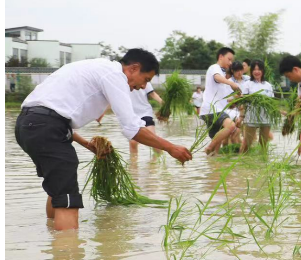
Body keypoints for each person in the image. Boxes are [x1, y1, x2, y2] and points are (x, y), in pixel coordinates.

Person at [15, 49, 192, 230]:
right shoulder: (114, 75)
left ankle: (53, 240)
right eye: (146, 79)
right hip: (45, 126)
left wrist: (86, 144)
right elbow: (132, 129)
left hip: (28, 125)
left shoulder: (96, 68)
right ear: (133, 68)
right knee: (68, 200)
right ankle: (66, 255)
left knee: (57, 189)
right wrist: (170, 148)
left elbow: (55, 114)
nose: (143, 86)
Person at [199, 47, 243, 156]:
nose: (230, 62)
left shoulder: (223, 78)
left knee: (215, 153)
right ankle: (208, 148)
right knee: (231, 126)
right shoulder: (215, 68)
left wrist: (237, 97)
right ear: (220, 57)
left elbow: (225, 98)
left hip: (212, 111)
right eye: (229, 59)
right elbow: (217, 77)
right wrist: (232, 83)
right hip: (212, 110)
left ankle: (213, 167)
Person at [240, 60, 275, 153]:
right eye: (254, 69)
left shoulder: (268, 85)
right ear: (251, 71)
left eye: (259, 69)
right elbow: (243, 101)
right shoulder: (247, 84)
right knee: (246, 145)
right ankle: (240, 165)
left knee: (264, 144)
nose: (257, 71)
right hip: (251, 117)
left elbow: (272, 102)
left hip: (266, 118)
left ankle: (263, 164)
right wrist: (241, 116)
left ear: (263, 71)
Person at [129, 79, 164, 157]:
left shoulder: (144, 79)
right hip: (131, 115)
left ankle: (157, 162)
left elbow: (153, 94)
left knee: (153, 141)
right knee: (133, 143)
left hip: (145, 112)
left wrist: (164, 104)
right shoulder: (123, 80)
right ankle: (133, 166)